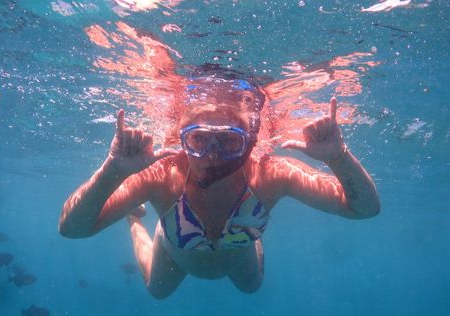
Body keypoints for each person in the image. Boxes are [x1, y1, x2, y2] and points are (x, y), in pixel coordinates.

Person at [58, 76, 380, 299]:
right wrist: (112, 171)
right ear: (181, 138)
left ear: (250, 141)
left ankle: (249, 233)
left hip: (238, 258)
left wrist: (339, 157)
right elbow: (71, 229)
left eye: (229, 140)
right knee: (157, 292)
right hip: (174, 256)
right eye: (198, 139)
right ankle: (134, 220)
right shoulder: (161, 177)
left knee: (252, 288)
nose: (212, 154)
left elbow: (366, 209)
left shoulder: (270, 175)